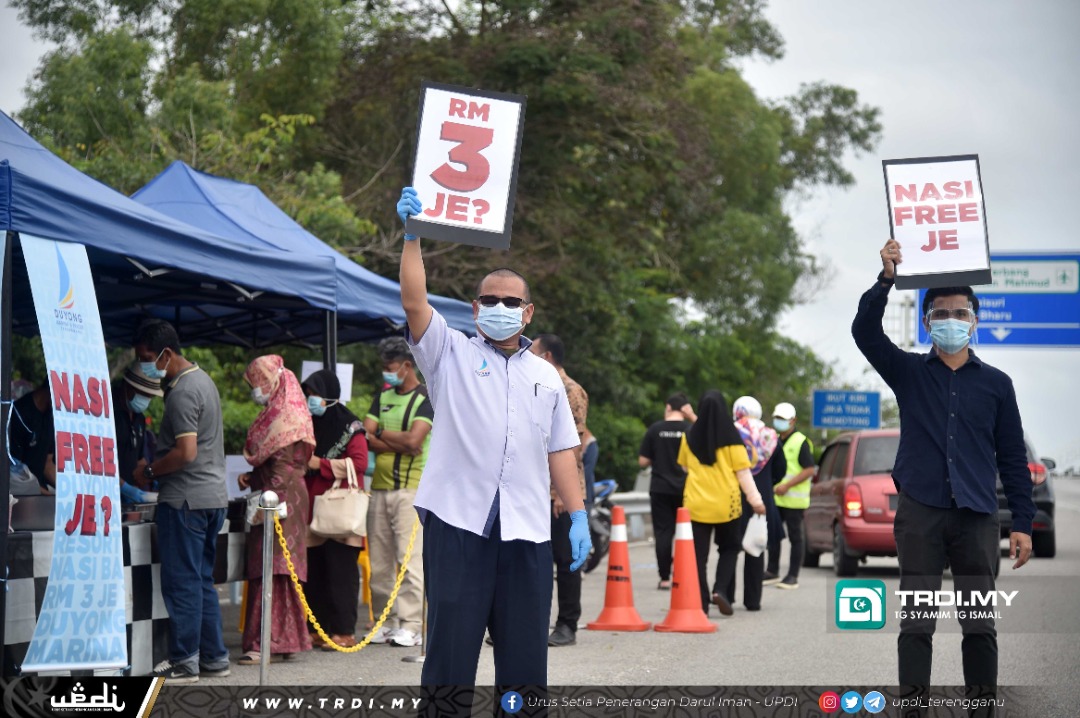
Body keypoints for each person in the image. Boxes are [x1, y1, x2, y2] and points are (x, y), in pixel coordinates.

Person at [395, 186, 590, 688]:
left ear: (528, 312)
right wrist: (412, 237)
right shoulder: (449, 354)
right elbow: (414, 302)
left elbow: (561, 451)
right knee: (450, 656)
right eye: (490, 300)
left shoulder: (546, 377)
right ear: (475, 307)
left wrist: (578, 515)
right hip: (459, 524)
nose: (500, 306)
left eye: (511, 301)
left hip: (527, 530)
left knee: (525, 662)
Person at [853, 238, 1035, 705]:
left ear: (974, 320)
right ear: (927, 322)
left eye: (960, 313)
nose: (951, 320)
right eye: (941, 314)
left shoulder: (997, 385)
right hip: (921, 515)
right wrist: (886, 279)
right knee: (917, 626)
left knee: (980, 627)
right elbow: (865, 333)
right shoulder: (909, 372)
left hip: (977, 517)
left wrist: (1022, 522)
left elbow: (1012, 457)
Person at [133, 319, 230, 683]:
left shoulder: (182, 391)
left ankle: (185, 660)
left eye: (148, 358)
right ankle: (214, 657)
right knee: (201, 580)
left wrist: (150, 471)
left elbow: (186, 452)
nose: (146, 366)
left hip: (185, 500)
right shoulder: (204, 381)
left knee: (182, 582)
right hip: (212, 497)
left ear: (166, 354)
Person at [236, 355, 315, 665]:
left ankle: (263, 643)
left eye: (256, 383)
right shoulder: (287, 411)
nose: (254, 390)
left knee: (272, 566)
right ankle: (286, 640)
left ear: (270, 381)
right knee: (280, 567)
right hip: (285, 493)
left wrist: (265, 503)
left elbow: (282, 467)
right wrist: (253, 477)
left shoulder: (283, 416)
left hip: (279, 498)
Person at [363, 336, 433, 649]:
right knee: (379, 562)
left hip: (411, 489)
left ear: (406, 365)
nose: (386, 373)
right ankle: (384, 622)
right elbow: (365, 434)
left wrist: (380, 434)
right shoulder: (383, 396)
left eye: (390, 367)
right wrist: (396, 440)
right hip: (379, 488)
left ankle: (411, 624)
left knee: (408, 559)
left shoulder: (425, 397)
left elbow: (415, 441)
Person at [676, 390, 765, 616]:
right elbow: (743, 474)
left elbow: (684, 467)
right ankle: (720, 590)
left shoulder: (688, 436)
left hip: (695, 505)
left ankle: (701, 603)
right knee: (729, 548)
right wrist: (756, 501)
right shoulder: (732, 438)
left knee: (698, 556)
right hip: (727, 505)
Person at [302, 369, 369, 650]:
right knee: (315, 572)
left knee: (341, 573)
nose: (311, 400)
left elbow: (360, 463)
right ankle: (317, 629)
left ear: (329, 395)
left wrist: (322, 465)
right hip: (312, 509)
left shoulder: (350, 426)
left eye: (315, 394)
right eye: (308, 395)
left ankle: (343, 631)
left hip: (340, 509)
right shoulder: (308, 425)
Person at [530, 333, 589, 647]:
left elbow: (571, 446)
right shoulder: (536, 385)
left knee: (566, 561)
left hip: (562, 492)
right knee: (533, 560)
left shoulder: (570, 390)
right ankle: (528, 625)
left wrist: (559, 493)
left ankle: (567, 624)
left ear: (548, 356)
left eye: (534, 351)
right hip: (534, 489)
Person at [726, 395, 785, 611]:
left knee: (730, 548)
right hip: (762, 499)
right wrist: (767, 483)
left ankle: (726, 595)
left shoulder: (730, 433)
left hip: (734, 497)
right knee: (756, 548)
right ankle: (752, 600)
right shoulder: (771, 436)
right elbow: (781, 469)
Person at [639, 393, 693, 590]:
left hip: (660, 489)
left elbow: (643, 461)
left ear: (669, 407)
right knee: (687, 533)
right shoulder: (690, 429)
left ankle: (664, 578)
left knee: (663, 533)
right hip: (686, 489)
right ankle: (684, 575)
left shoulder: (655, 429)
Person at [765, 401, 814, 590]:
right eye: (777, 418)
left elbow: (809, 470)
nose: (779, 421)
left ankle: (793, 575)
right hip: (776, 498)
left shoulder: (801, 441)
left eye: (783, 419)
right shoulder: (774, 439)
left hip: (794, 500)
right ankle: (772, 571)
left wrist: (787, 485)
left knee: (795, 538)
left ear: (793, 420)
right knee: (774, 534)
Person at [113, 363, 162, 504]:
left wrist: (150, 476)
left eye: (149, 396)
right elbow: (98, 461)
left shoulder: (139, 418)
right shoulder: (108, 411)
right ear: (128, 387)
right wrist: (124, 487)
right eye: (143, 394)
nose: (146, 400)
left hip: (128, 502)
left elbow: (140, 459)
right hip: (106, 494)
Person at [10, 383, 56, 491]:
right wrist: (47, 495)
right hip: (20, 492)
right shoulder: (19, 414)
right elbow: (14, 473)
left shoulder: (50, 416)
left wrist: (68, 491)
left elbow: (48, 464)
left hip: (41, 489)